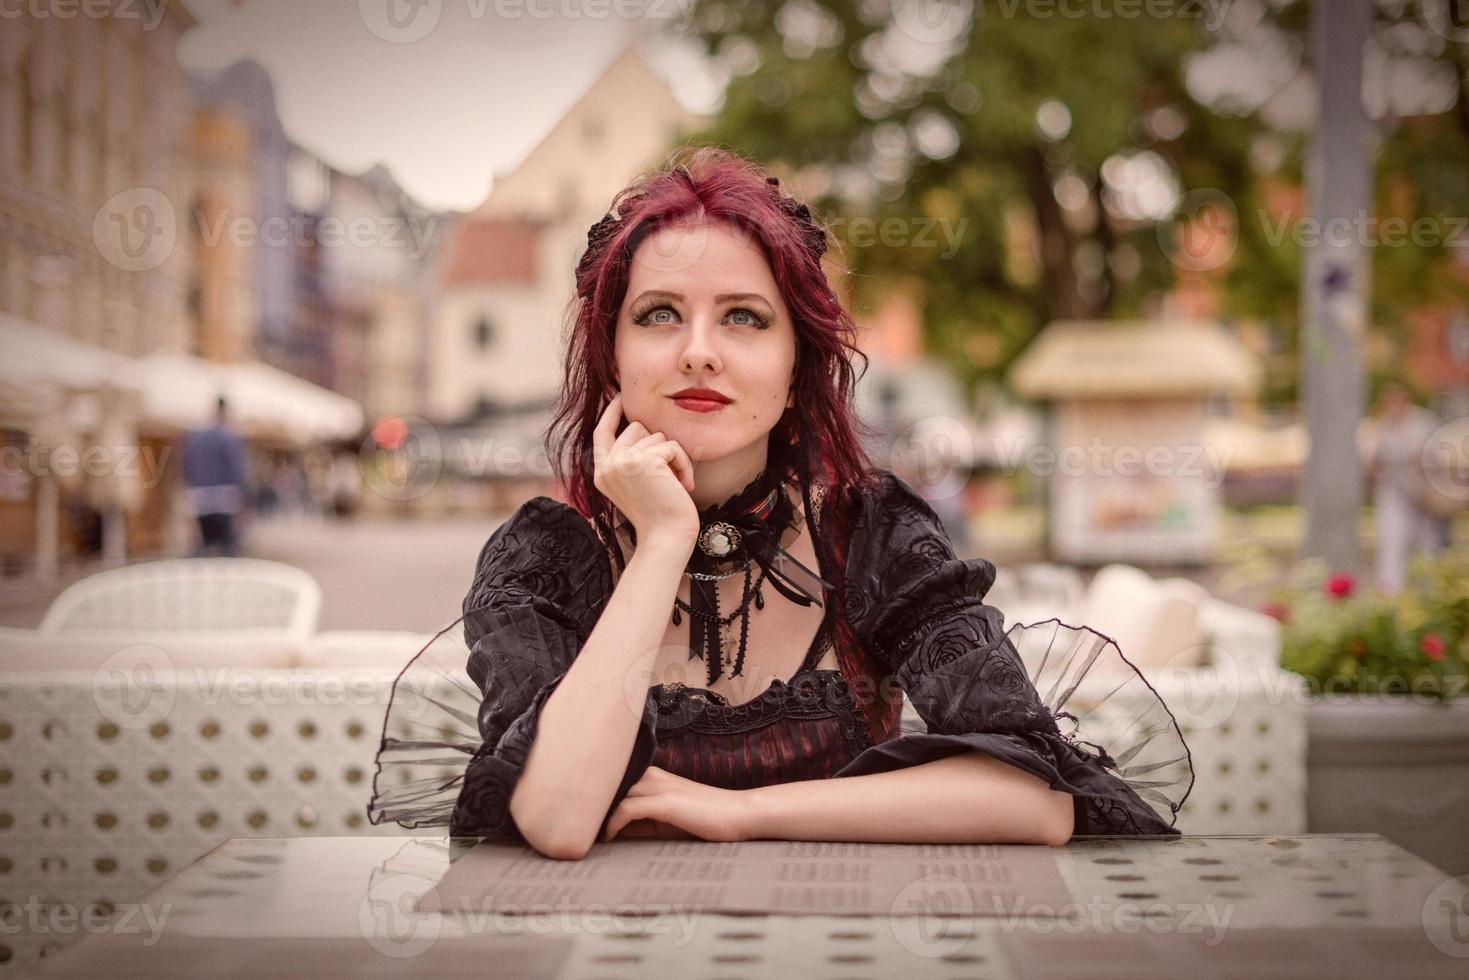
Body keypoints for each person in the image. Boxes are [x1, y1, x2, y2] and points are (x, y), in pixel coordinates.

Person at [367, 148, 1193, 859]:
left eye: (743, 318)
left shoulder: (872, 539)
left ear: (797, 366)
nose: (698, 352)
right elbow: (554, 816)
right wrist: (660, 542)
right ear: (612, 359)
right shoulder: (545, 561)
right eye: (658, 315)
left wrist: (738, 814)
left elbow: (1032, 799)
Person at [1369, 382, 1446, 593]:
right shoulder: (1383, 425)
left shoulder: (1422, 422)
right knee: (1392, 541)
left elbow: (1435, 456)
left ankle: (1431, 589)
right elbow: (1375, 460)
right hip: (1394, 493)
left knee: (1428, 544)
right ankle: (1390, 590)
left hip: (1423, 495)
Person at [180, 395, 248, 557]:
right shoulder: (229, 437)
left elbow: (186, 464)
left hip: (200, 494)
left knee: (206, 540)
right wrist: (243, 494)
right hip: (224, 495)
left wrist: (191, 486)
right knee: (225, 543)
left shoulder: (195, 437)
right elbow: (236, 468)